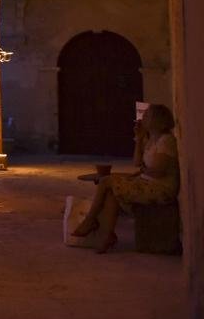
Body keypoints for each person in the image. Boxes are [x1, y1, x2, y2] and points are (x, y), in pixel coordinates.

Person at [71, 103, 180, 253]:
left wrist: (141, 171)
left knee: (106, 181)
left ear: (156, 119)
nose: (143, 118)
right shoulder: (151, 139)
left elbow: (158, 171)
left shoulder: (166, 140)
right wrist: (139, 139)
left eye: (147, 115)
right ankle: (105, 235)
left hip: (161, 189)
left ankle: (90, 220)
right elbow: (137, 162)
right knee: (110, 191)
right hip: (148, 182)